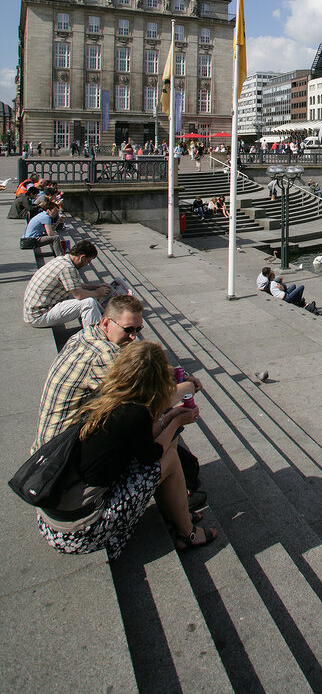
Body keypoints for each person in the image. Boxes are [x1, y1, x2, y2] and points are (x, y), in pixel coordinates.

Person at [36, 341, 217, 559]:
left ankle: (180, 515)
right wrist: (177, 422)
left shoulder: (109, 396)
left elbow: (141, 436)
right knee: (169, 455)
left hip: (55, 518)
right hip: (78, 532)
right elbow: (153, 454)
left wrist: (170, 416)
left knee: (169, 446)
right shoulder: (134, 412)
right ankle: (187, 533)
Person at [32, 293, 206, 508]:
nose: (134, 336)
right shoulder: (105, 357)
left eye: (138, 330)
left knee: (155, 429)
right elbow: (147, 404)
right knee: (159, 428)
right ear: (106, 322)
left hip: (52, 447)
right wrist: (187, 388)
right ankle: (181, 494)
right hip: (64, 461)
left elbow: (137, 365)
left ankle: (183, 483)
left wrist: (174, 374)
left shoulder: (85, 336)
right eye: (128, 330)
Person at [23, 239, 112, 329]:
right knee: (88, 303)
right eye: (88, 261)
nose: (87, 265)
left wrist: (97, 286)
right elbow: (79, 295)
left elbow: (77, 286)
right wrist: (98, 292)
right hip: (39, 316)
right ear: (82, 257)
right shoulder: (67, 268)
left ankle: (106, 320)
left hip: (37, 310)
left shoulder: (62, 260)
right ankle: (93, 335)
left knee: (89, 297)